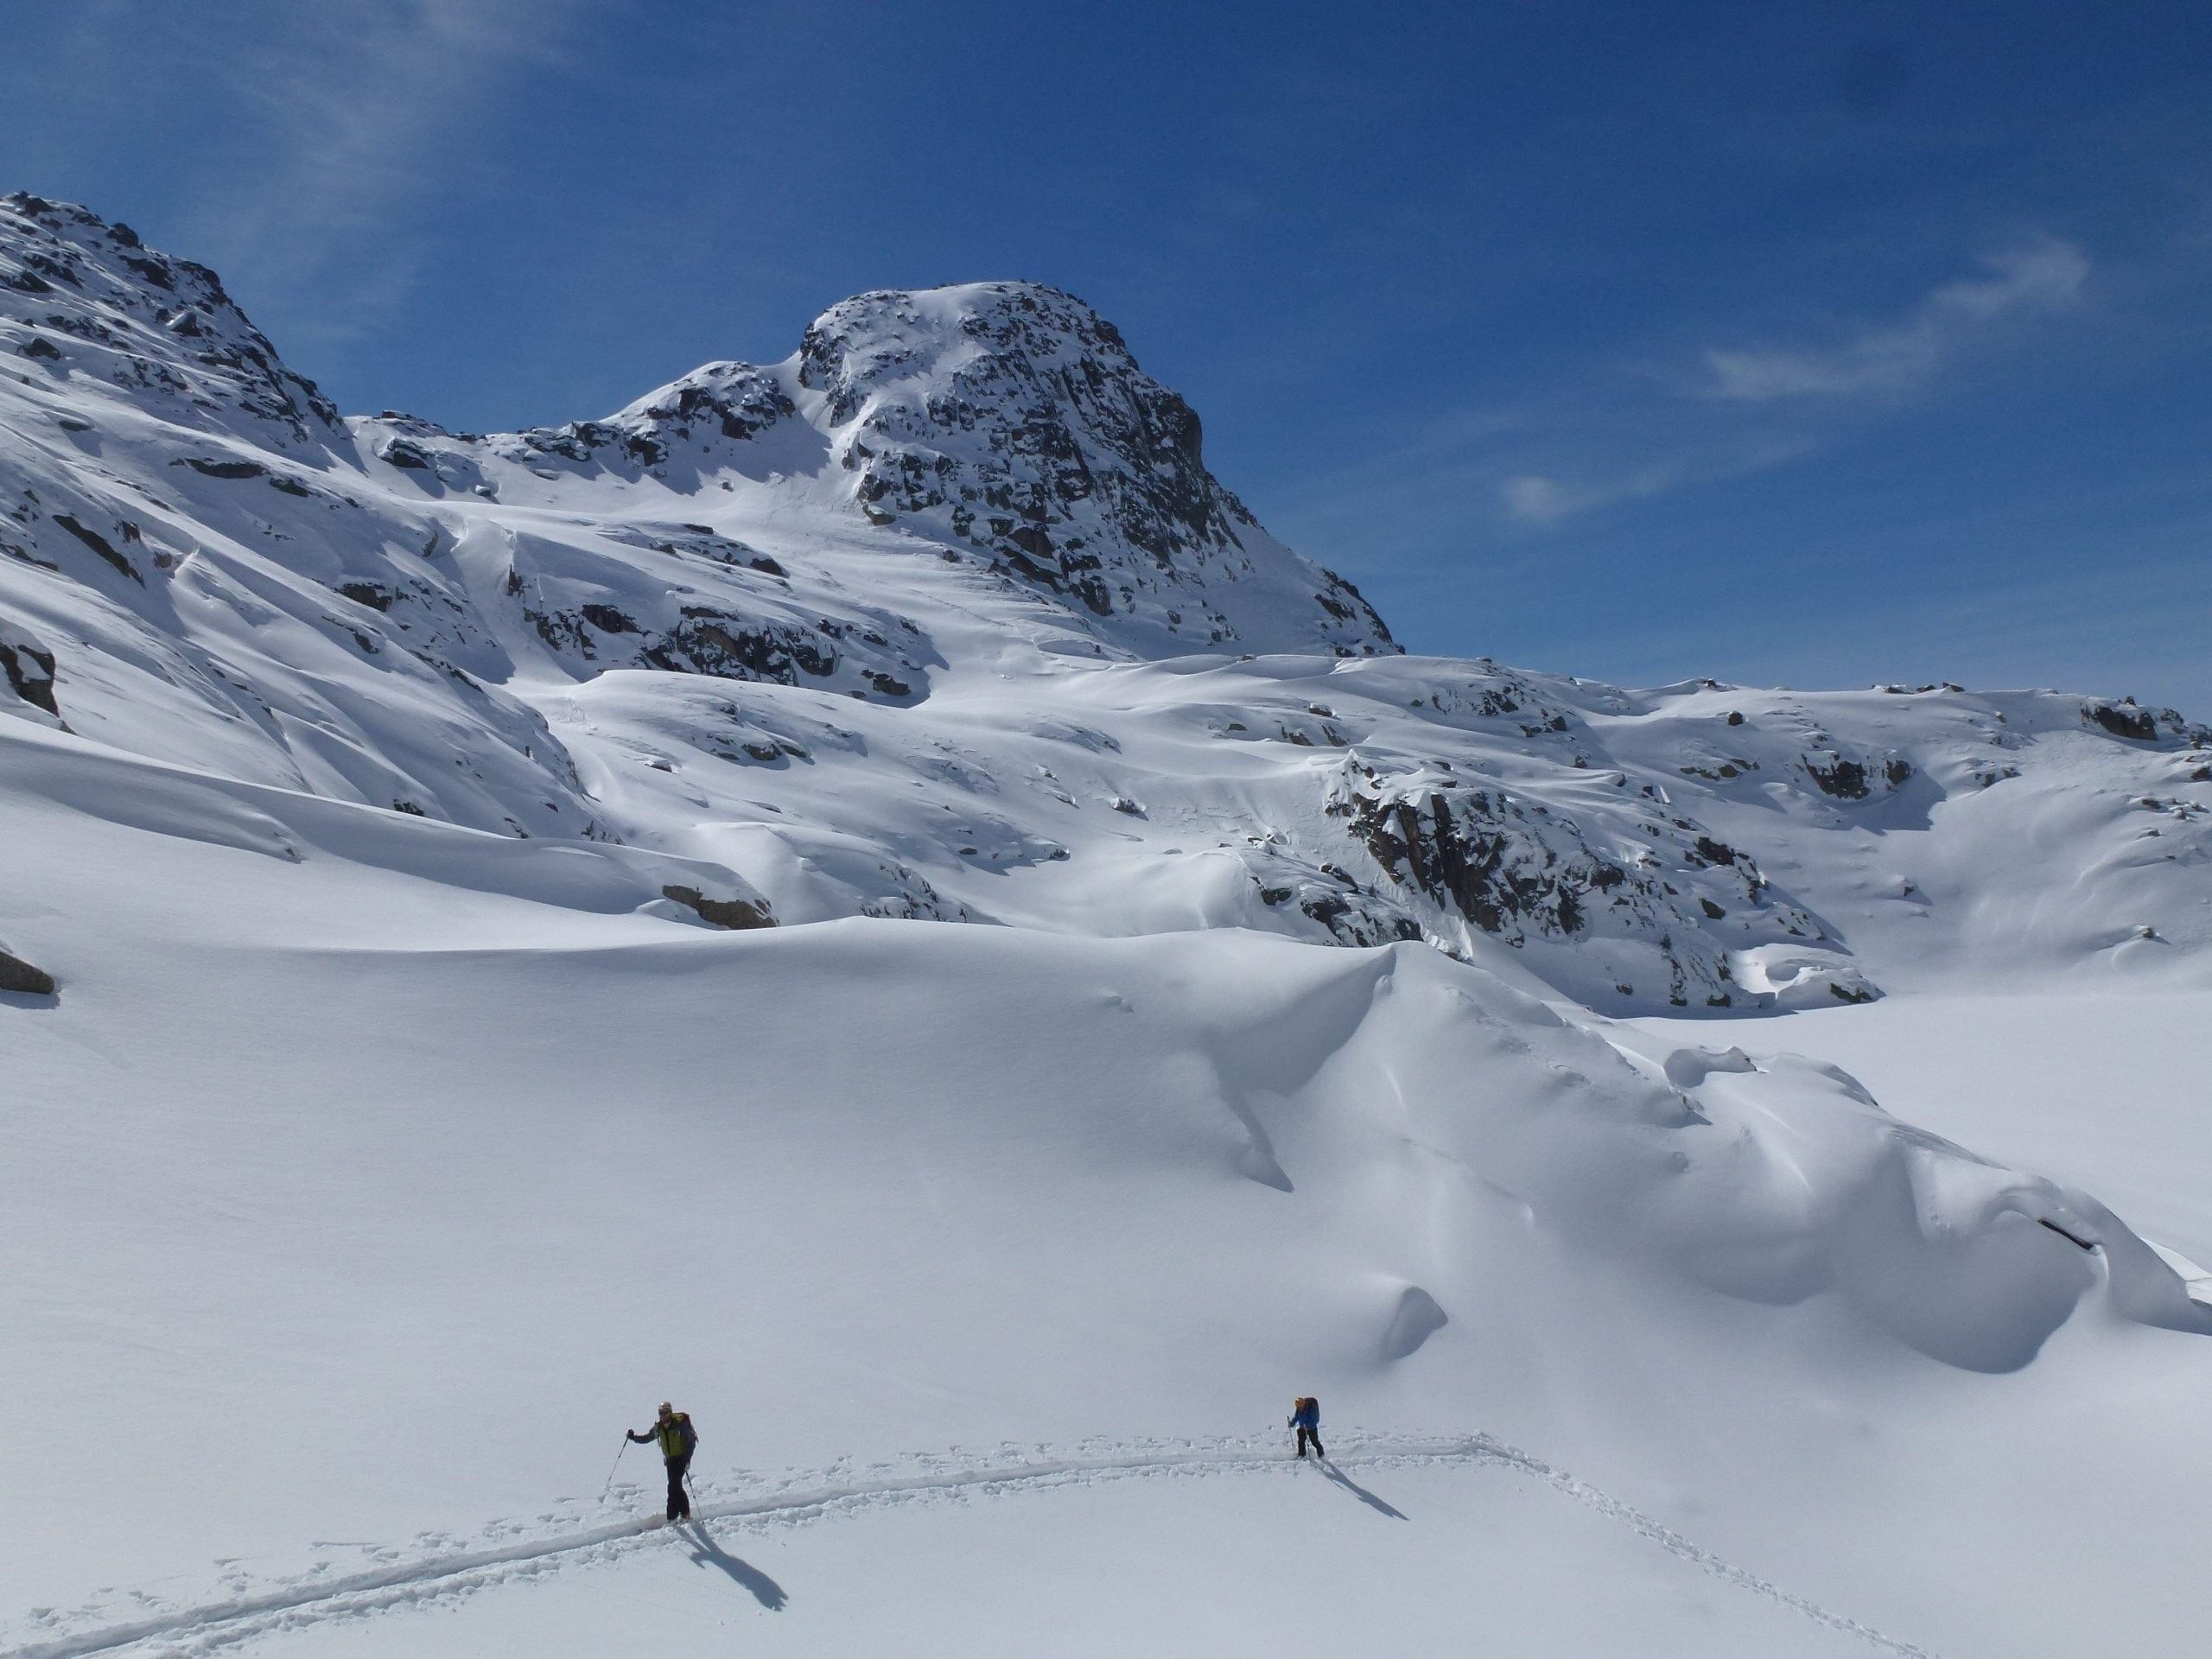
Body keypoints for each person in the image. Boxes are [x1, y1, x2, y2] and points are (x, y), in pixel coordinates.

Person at [628, 1401, 698, 1521]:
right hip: (670, 1461)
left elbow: (691, 1442)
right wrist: (634, 1438)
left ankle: (672, 1518)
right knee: (676, 1487)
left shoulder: (680, 1425)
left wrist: (686, 1459)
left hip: (681, 1459)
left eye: (665, 1413)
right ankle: (686, 1514)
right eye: (660, 1413)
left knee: (672, 1488)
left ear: (670, 1413)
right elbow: (648, 1438)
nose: (662, 1415)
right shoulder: (659, 1427)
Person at [1289, 1395, 1323, 1459]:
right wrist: (1291, 1424)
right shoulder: (1298, 1409)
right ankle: (1302, 1455)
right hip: (1303, 1427)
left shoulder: (1310, 1410)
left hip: (1312, 1428)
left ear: (1303, 1404)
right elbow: (1296, 1417)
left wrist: (1308, 1426)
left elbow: (1314, 1420)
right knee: (1301, 1441)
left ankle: (1321, 1455)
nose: (1299, 1408)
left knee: (1315, 1442)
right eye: (1298, 1407)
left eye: (1300, 1407)